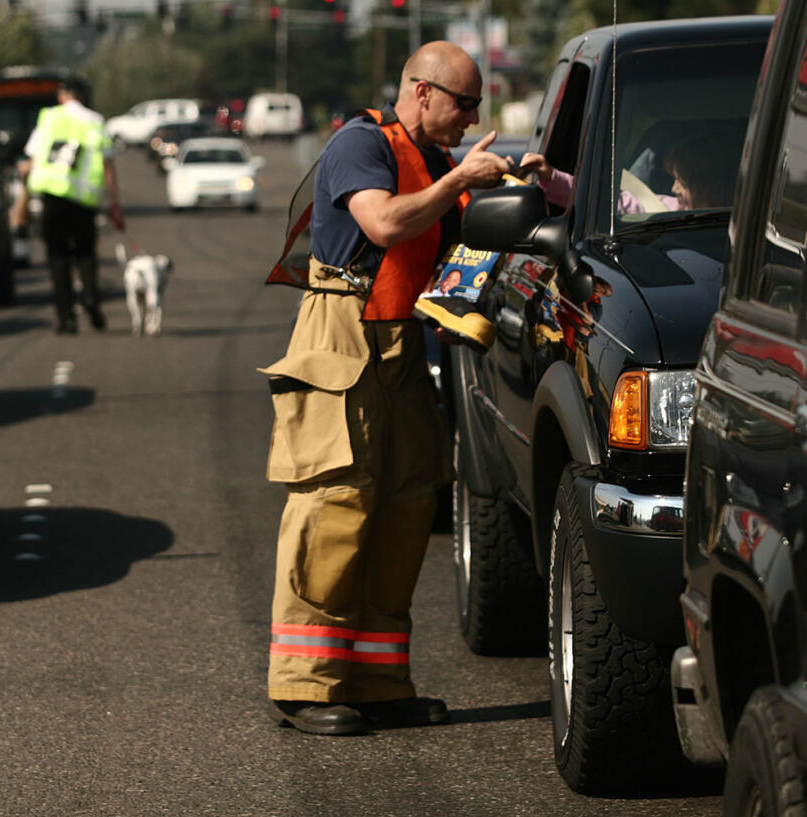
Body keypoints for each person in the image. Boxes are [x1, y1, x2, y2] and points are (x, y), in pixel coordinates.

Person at [260, 41, 513, 736]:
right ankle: (305, 685)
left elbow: (455, 232)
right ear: (423, 92)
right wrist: (459, 180)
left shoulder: (434, 161)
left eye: (477, 106)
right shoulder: (358, 144)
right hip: (341, 336)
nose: (471, 116)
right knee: (335, 505)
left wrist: (515, 182)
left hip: (401, 345)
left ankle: (376, 680)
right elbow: (383, 222)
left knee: (404, 506)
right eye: (464, 103)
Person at [20, 76, 124, 334]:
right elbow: (108, 166)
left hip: (53, 199)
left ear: (62, 95)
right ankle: (90, 299)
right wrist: (115, 205)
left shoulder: (49, 118)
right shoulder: (96, 121)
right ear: (83, 96)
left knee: (58, 259)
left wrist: (23, 194)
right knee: (86, 254)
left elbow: (31, 160)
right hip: (83, 201)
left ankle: (66, 317)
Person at [517, 129, 742, 214]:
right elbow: (610, 203)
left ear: (705, 185)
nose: (673, 188)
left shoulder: (741, 219)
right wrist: (553, 177)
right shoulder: (666, 209)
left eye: (681, 181)